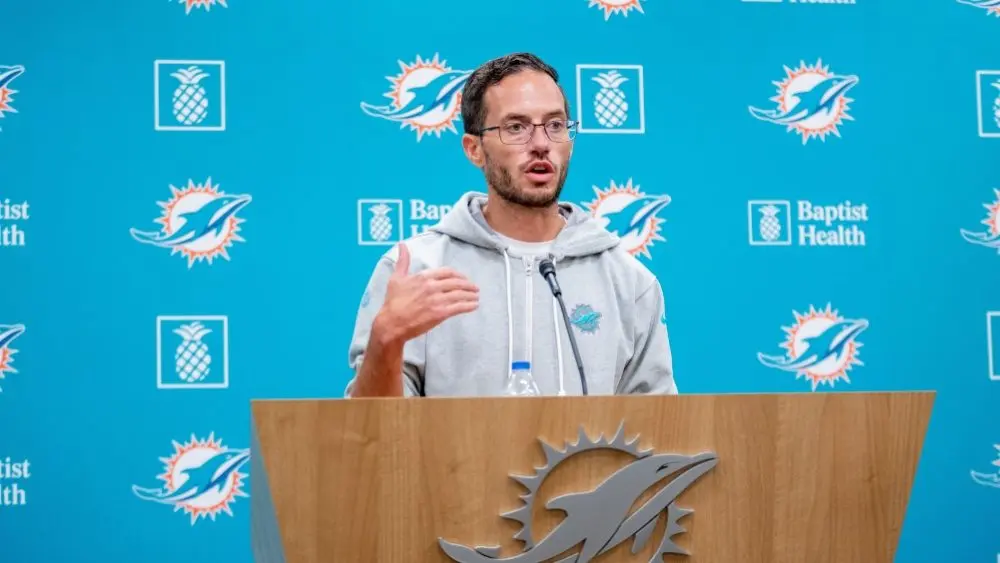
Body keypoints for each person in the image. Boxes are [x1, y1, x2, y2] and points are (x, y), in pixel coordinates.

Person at [345, 52, 677, 397]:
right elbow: (373, 435)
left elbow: (659, 430)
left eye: (555, 125)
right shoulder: (417, 271)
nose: (541, 144)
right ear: (474, 149)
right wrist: (385, 340)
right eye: (515, 127)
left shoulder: (628, 281)